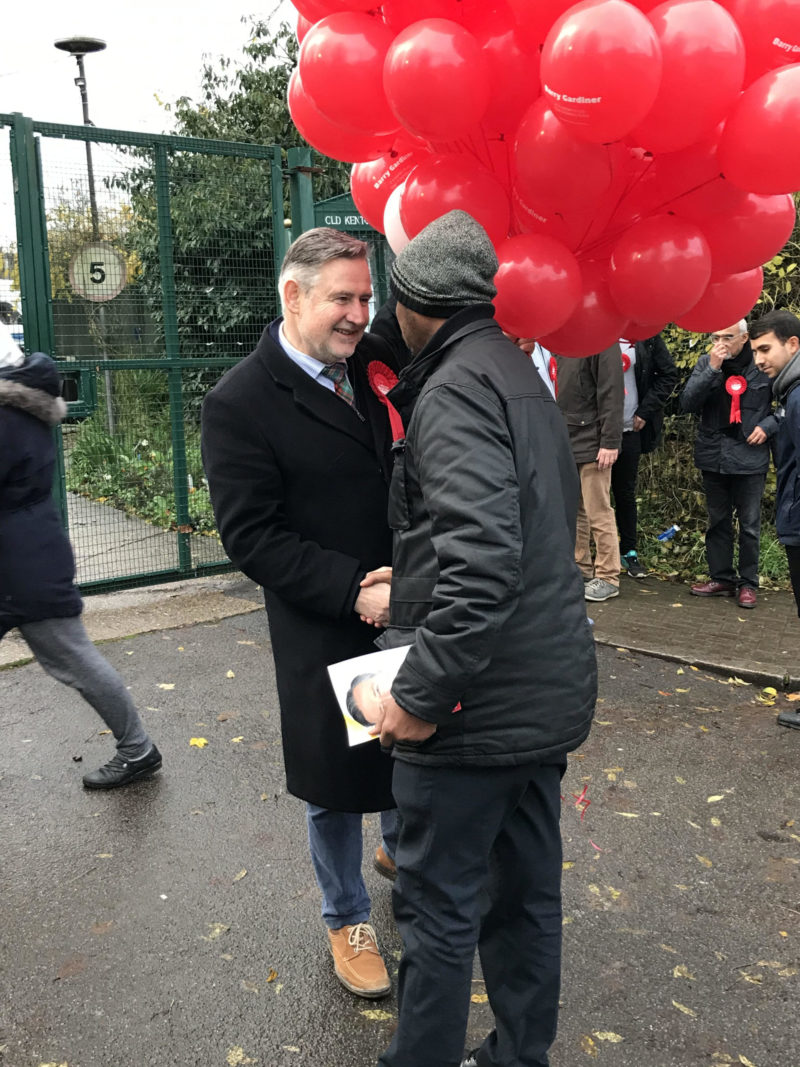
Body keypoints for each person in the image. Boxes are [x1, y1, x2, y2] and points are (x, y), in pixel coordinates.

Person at [366, 211, 597, 1067]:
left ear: (413, 303)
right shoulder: (514, 370)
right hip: (541, 699)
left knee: (438, 910)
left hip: (474, 713)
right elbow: (522, 530)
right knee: (526, 902)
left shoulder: (454, 385)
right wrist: (411, 578)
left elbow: (484, 558)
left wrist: (422, 694)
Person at [201, 228, 402, 998]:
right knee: (334, 777)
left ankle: (397, 852)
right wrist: (351, 587)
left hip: (400, 604)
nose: (359, 314)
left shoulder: (372, 365)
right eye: (342, 299)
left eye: (365, 296)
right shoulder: (242, 402)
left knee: (401, 742)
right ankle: (345, 914)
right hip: (327, 617)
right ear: (293, 296)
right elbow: (251, 535)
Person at [0, 324, 161, 789]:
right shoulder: (19, 403)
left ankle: (138, 749)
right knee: (75, 659)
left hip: (22, 568)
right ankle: (138, 748)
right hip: (25, 558)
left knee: (75, 660)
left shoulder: (7, 415)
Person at [680, 320, 777, 609]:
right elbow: (687, 403)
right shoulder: (706, 363)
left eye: (727, 337)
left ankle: (748, 584)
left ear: (744, 338)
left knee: (749, 525)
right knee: (717, 521)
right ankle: (721, 578)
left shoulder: (763, 365)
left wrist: (768, 425)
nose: (720, 343)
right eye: (715, 337)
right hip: (714, 455)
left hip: (749, 457)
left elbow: (783, 405)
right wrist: (712, 368)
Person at [750, 309, 800, 730]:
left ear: (793, 344)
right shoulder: (790, 393)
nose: (759, 360)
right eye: (755, 352)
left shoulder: (798, 395)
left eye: (766, 349)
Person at [553, 345, 624, 601]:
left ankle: (608, 576)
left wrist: (610, 441)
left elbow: (612, 393)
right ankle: (580, 568)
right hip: (566, 436)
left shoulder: (604, 342)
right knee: (575, 511)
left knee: (599, 511)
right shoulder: (561, 342)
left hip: (594, 441)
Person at [612, 333, 679, 578]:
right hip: (595, 432)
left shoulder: (647, 334)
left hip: (630, 431)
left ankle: (629, 552)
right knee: (592, 497)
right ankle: (597, 556)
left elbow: (668, 374)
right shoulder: (595, 328)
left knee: (625, 494)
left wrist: (645, 411)